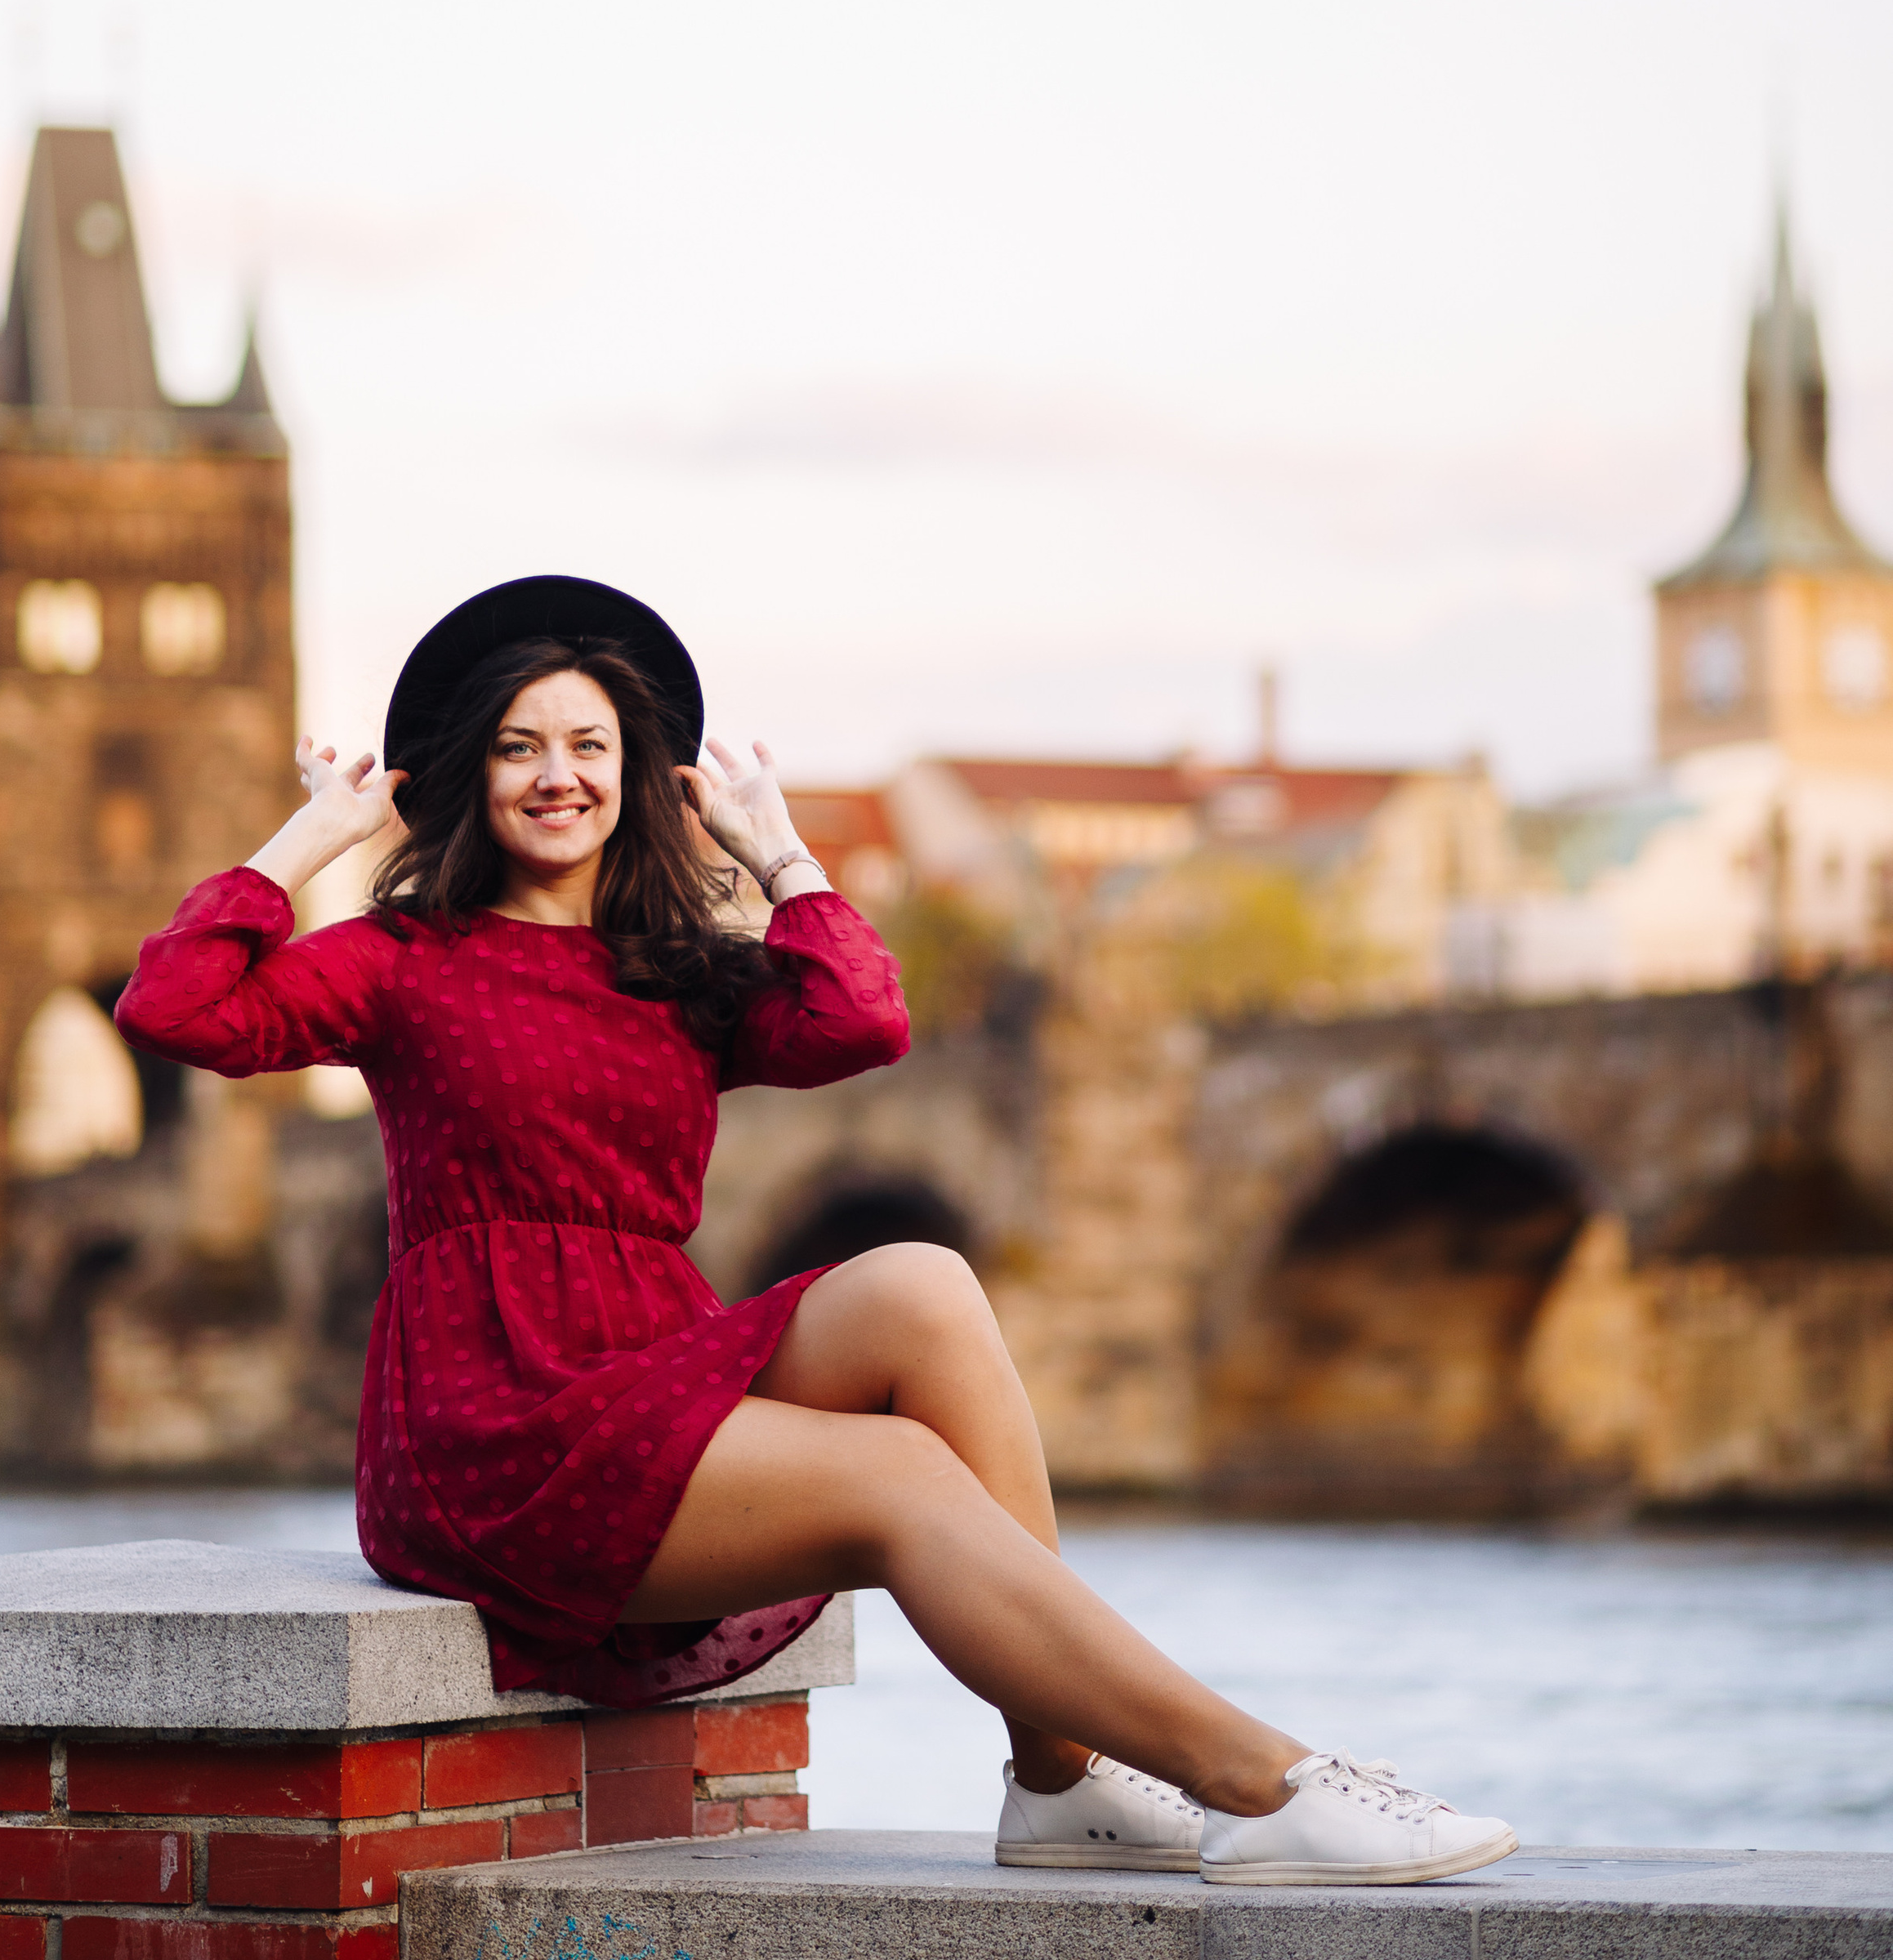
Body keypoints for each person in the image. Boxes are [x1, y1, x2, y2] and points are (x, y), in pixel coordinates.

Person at [118, 574, 1516, 1884]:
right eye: (518, 746)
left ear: (637, 771)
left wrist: (776, 848)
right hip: (493, 1423)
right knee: (902, 1478)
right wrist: (320, 836)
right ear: (471, 776)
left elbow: (863, 1020)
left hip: (650, 1373)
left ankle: (1061, 1774)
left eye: (591, 745)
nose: (558, 776)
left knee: (922, 1282)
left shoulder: (673, 976)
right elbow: (178, 1008)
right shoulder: (400, 963)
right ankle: (1259, 1783)